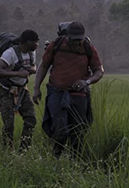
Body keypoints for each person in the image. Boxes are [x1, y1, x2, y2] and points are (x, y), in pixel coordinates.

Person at [32, 21, 104, 158]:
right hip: (57, 92)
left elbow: (99, 71)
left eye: (79, 40)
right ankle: (56, 157)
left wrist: (86, 81)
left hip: (79, 95)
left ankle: (75, 160)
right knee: (60, 128)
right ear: (67, 36)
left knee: (78, 131)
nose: (76, 43)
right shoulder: (56, 45)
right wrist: (36, 88)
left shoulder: (88, 48)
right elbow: (43, 66)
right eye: (73, 40)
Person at [0, 29, 40, 151]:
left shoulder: (31, 53)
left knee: (31, 120)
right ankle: (7, 152)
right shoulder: (10, 53)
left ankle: (23, 151)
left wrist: (33, 69)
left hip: (23, 91)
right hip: (7, 91)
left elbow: (34, 65)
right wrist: (18, 73)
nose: (37, 45)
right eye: (35, 42)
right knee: (9, 125)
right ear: (27, 41)